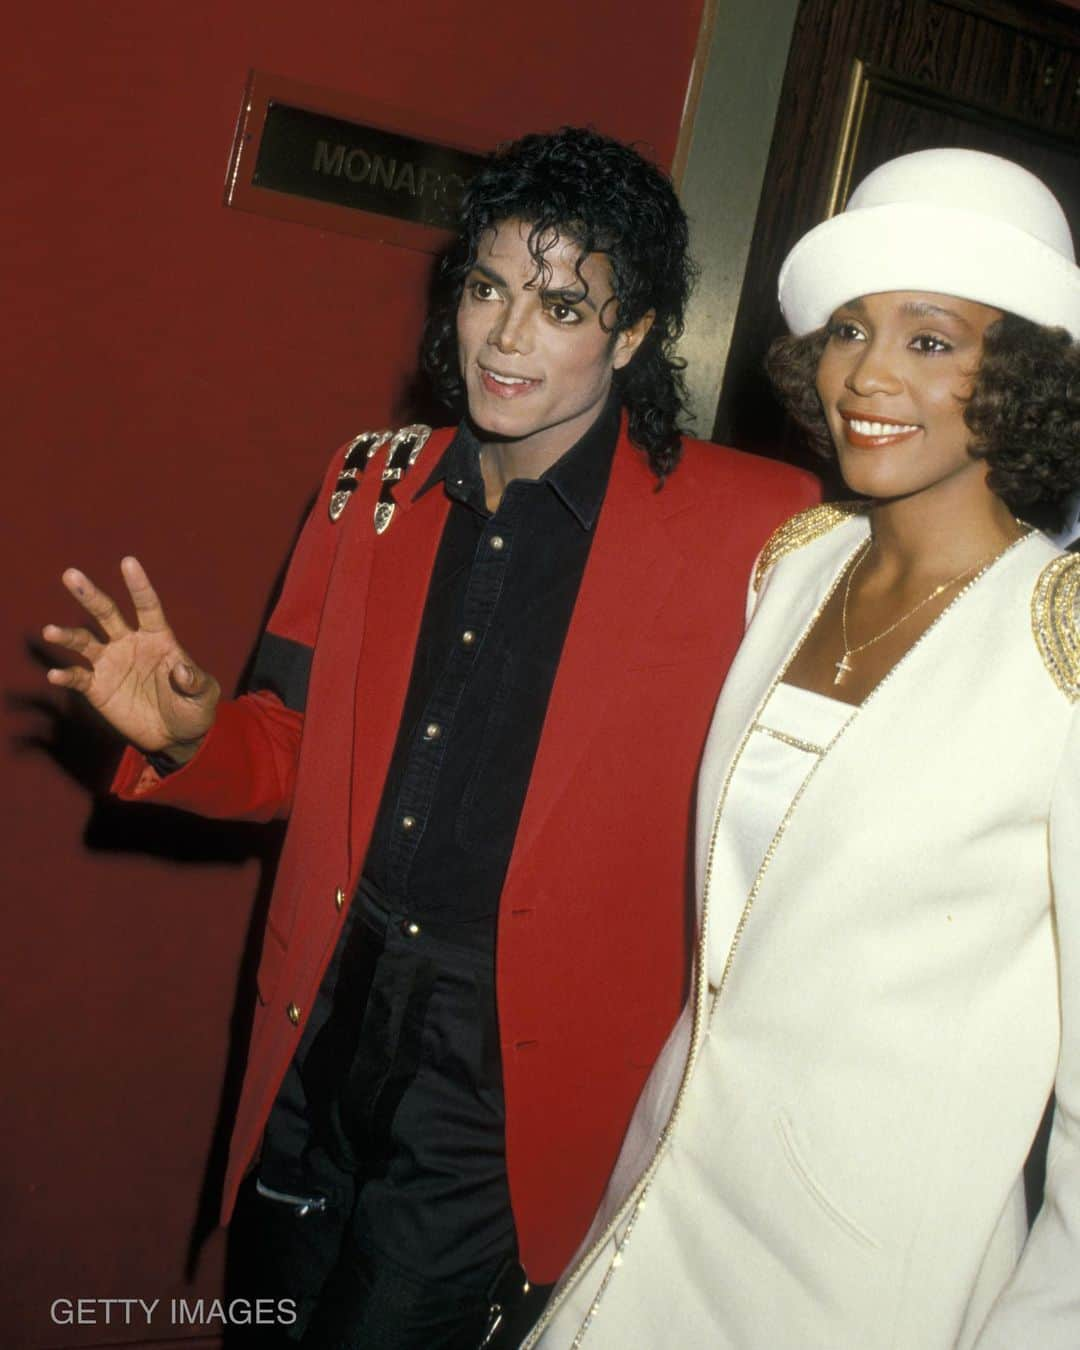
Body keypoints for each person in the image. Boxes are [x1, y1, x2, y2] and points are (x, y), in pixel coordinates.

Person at [41, 126, 817, 1348]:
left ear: (634, 334)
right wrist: (191, 737)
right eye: (488, 288)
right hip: (324, 1016)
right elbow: (289, 753)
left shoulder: (759, 528)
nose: (507, 337)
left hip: (509, 1076)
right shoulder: (371, 486)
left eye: (562, 305)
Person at [527, 148, 1080, 1349]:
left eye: (929, 340)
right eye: (846, 331)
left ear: (1026, 374)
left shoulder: (1063, 645)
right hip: (662, 1204)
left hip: (870, 1282)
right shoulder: (797, 564)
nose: (867, 375)